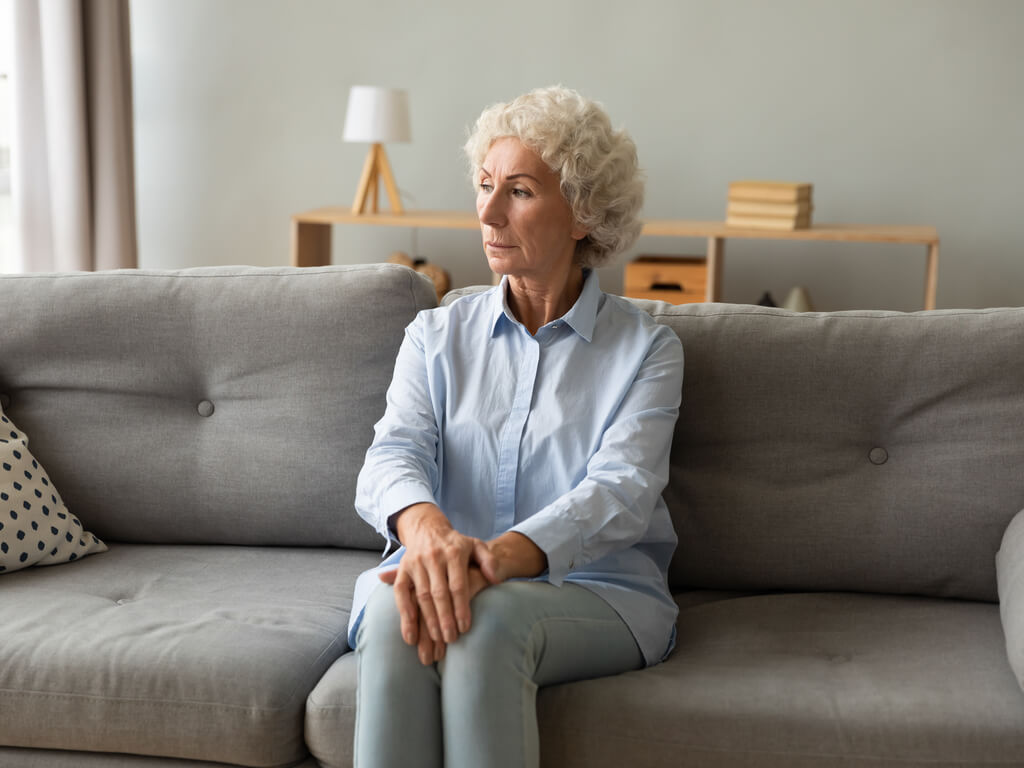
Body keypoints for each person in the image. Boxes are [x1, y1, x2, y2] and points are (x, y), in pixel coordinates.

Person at [347, 85, 684, 768]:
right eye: (484, 185)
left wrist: (490, 561)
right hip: (436, 568)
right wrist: (433, 537)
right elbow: (392, 455)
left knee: (487, 620)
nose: (488, 212)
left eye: (520, 191)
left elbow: (619, 493)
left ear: (583, 214)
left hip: (597, 591)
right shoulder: (433, 336)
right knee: (391, 612)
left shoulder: (646, 350)